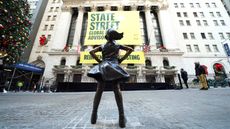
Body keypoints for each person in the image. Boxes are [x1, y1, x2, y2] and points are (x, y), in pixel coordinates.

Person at [87, 28, 133, 128]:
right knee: (117, 89)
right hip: (114, 67)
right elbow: (131, 49)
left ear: (107, 36)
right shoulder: (117, 45)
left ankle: (93, 115)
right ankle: (121, 117)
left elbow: (91, 52)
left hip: (103, 67)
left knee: (99, 90)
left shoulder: (102, 45)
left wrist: (99, 61)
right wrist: (121, 59)